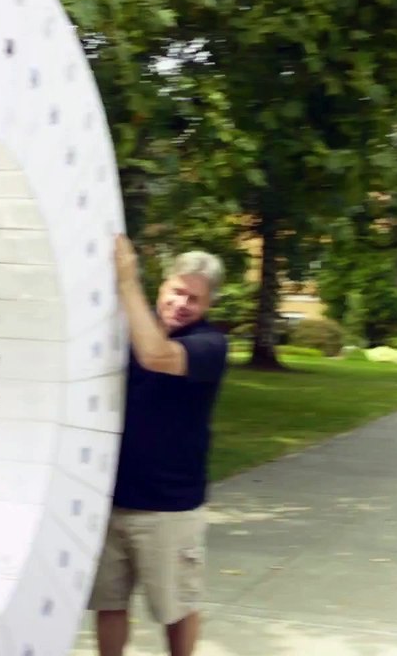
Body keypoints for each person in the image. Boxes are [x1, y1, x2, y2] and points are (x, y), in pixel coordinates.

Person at [89, 234, 230, 656]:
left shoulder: (209, 345)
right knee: (108, 603)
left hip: (169, 508)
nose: (181, 303)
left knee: (177, 608)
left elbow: (156, 356)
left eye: (194, 298)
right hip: (112, 500)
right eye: (177, 291)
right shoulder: (129, 329)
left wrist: (127, 280)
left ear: (208, 304)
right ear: (163, 286)